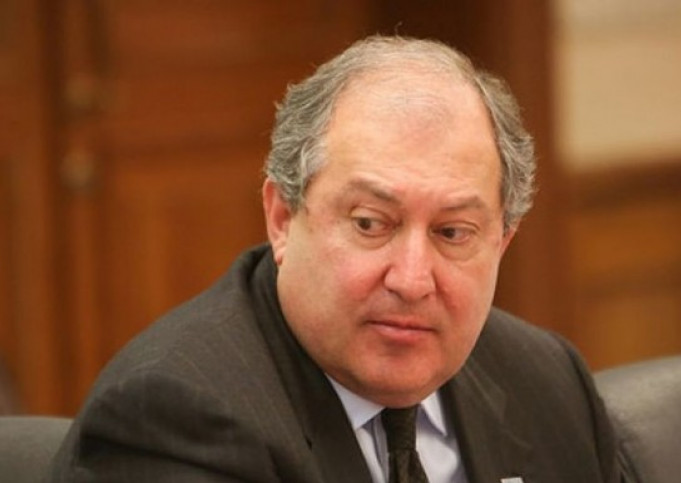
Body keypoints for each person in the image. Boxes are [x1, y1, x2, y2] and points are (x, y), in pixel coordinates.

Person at [49, 36, 621, 482]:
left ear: (502, 242)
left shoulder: (547, 382)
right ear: (282, 218)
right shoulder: (174, 419)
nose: (412, 280)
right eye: (370, 223)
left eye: (453, 232)